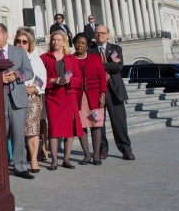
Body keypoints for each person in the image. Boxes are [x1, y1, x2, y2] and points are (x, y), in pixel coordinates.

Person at [0, 23, 35, 179]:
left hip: (17, 98)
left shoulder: (19, 52)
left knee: (18, 134)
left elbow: (29, 72)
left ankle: (20, 166)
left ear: (6, 34)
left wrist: (17, 75)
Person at [89, 24, 134, 160]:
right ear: (94, 35)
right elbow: (89, 67)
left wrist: (99, 65)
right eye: (97, 33)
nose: (100, 35)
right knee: (98, 122)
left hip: (114, 89)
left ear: (108, 34)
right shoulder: (90, 50)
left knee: (119, 121)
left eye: (103, 33)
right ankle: (102, 149)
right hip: (97, 90)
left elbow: (118, 66)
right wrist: (107, 66)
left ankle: (125, 149)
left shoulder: (115, 49)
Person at [40, 30, 83, 170]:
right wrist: (53, 80)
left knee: (69, 129)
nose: (56, 42)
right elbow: (39, 78)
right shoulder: (44, 58)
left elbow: (78, 79)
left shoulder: (72, 59)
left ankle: (66, 159)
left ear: (64, 42)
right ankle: (54, 161)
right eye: (54, 40)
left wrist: (68, 81)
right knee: (54, 128)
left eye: (59, 40)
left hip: (68, 96)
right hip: (52, 96)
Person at [13, 28, 47, 173]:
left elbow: (41, 77)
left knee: (32, 130)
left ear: (29, 44)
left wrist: (34, 88)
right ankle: (19, 158)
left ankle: (33, 159)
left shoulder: (35, 58)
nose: (21, 44)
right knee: (18, 129)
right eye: (18, 41)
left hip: (32, 97)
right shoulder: (11, 58)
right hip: (15, 97)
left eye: (24, 42)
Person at [72, 33, 107, 166]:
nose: (79, 45)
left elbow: (102, 78)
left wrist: (103, 95)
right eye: (77, 42)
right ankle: (86, 155)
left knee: (95, 125)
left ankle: (96, 154)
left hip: (95, 98)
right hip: (78, 98)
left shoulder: (95, 58)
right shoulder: (70, 59)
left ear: (87, 46)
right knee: (82, 126)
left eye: (82, 43)